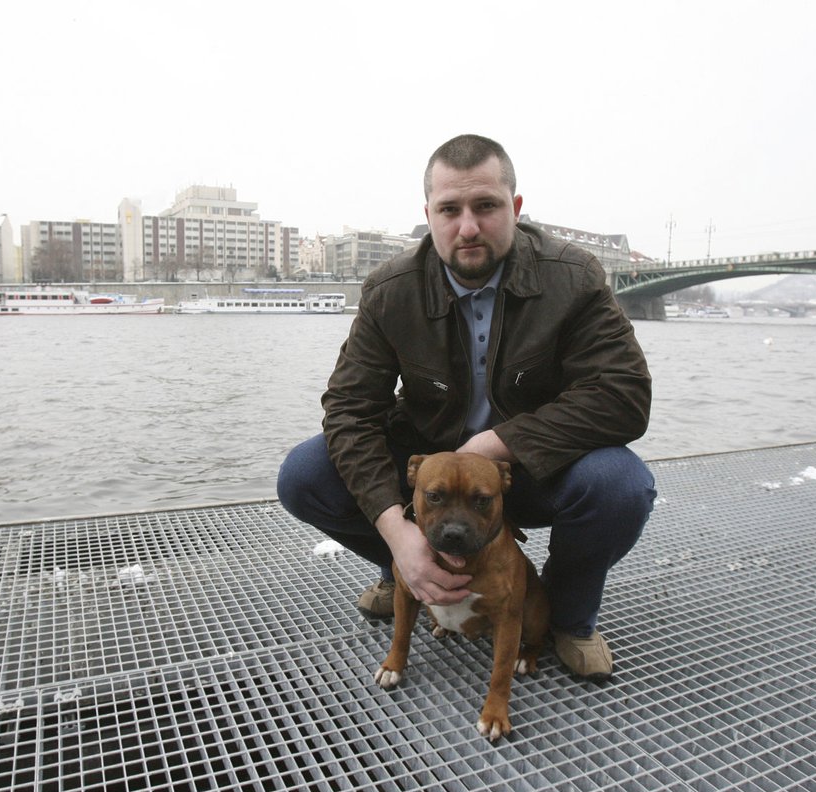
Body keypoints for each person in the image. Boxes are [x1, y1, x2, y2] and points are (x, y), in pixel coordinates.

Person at [277, 134, 656, 681]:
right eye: (450, 210)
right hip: (433, 479)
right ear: (428, 214)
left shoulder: (572, 278)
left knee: (621, 485)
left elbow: (624, 394)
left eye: (486, 206)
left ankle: (568, 614)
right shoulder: (390, 291)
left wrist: (496, 445)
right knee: (305, 474)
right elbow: (349, 413)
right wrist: (397, 531)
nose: (468, 227)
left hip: (533, 470)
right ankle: (411, 574)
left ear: (516, 208)